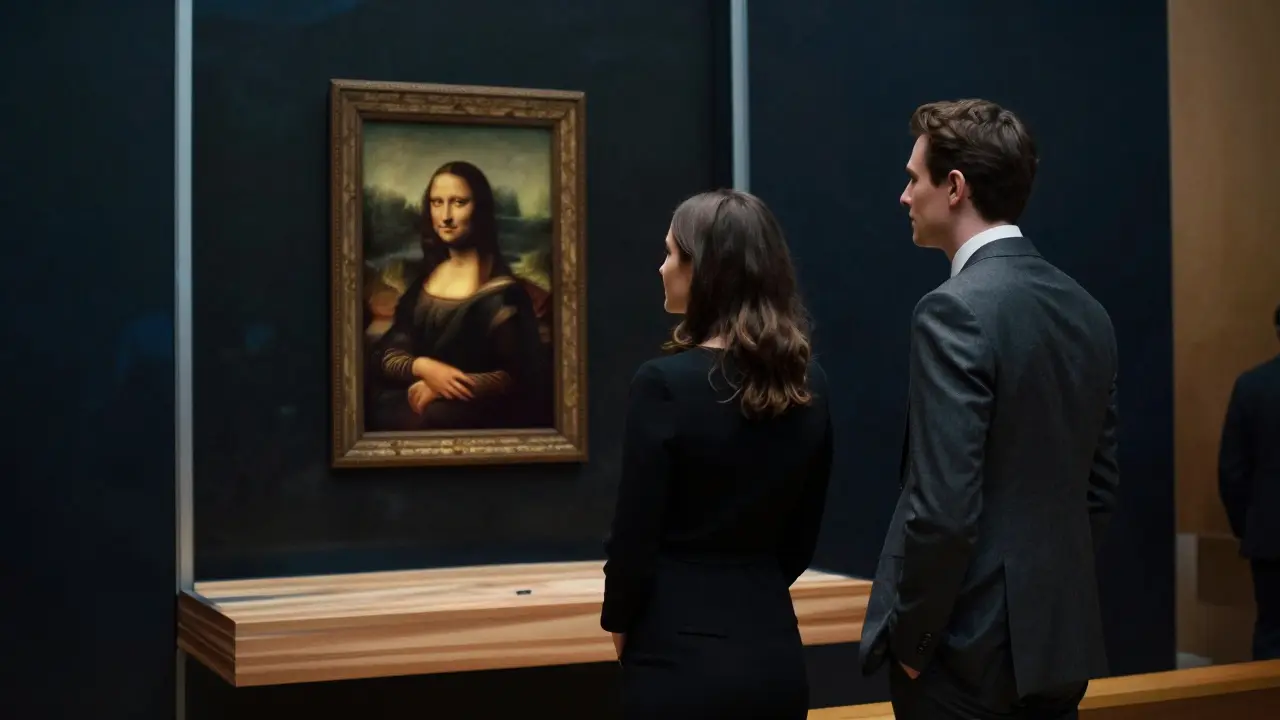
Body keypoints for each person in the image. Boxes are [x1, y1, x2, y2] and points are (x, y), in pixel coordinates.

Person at [859, 99, 1120, 719]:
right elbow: (1099, 491)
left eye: (913, 178)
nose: (903, 196)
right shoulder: (1089, 311)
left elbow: (945, 508)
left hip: (965, 655)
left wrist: (917, 642)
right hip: (1057, 647)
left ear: (954, 188)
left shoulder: (953, 309)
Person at [601, 189, 833, 719]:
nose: (661, 268)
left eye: (670, 254)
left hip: (676, 653)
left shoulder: (662, 384)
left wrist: (621, 623)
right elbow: (802, 535)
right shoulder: (810, 382)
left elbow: (635, 531)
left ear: (703, 270)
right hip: (772, 647)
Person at [1218, 302, 1280, 661]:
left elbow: (1232, 471)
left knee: (1273, 634)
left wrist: (1249, 526)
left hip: (1270, 538)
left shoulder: (1252, 386)